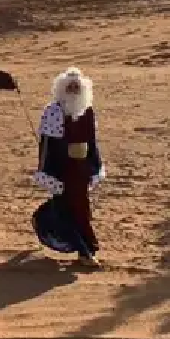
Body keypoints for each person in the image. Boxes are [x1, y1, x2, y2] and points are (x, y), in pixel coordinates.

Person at [31, 66, 105, 265]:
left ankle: (83, 247)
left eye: (76, 87)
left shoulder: (87, 111)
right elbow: (47, 146)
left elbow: (92, 143)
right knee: (66, 210)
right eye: (69, 87)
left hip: (81, 171)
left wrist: (95, 168)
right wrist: (47, 173)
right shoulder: (53, 112)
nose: (73, 90)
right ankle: (84, 252)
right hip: (62, 170)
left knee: (80, 209)